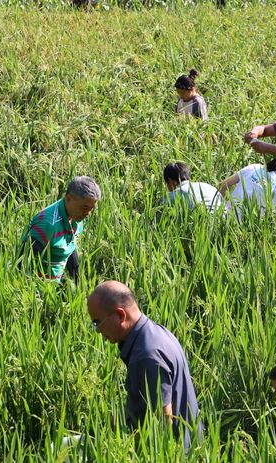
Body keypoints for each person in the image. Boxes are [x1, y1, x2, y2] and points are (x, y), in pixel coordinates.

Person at [86, 281, 201, 450]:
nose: (97, 331)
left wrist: (116, 444)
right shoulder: (155, 333)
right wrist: (112, 425)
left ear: (120, 315)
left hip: (175, 454)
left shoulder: (147, 356)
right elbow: (148, 410)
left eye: (97, 322)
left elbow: (161, 426)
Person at [20, 175, 100, 281]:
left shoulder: (77, 217)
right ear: (68, 198)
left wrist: (76, 285)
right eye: (85, 207)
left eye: (91, 209)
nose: (88, 213)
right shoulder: (47, 223)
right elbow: (23, 262)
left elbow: (70, 249)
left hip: (55, 284)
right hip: (37, 287)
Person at [217, 156, 276, 220]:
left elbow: (222, 185)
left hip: (222, 217)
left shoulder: (254, 167)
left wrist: (227, 207)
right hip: (242, 230)